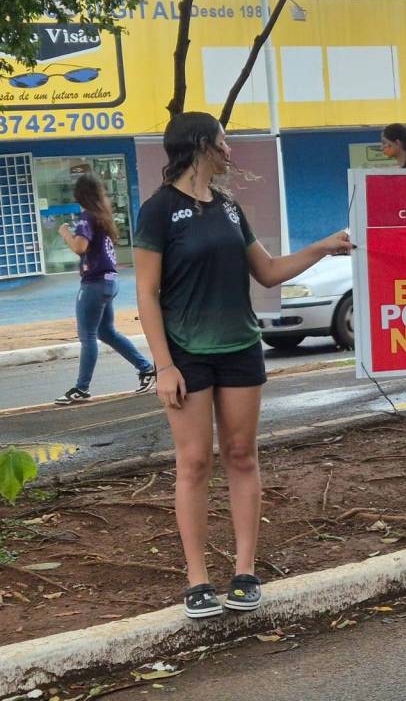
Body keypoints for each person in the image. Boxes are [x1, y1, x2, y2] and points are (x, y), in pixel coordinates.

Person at [133, 112, 352, 619]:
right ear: (202, 145)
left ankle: (245, 572)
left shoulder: (229, 208)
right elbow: (146, 293)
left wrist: (323, 247)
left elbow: (268, 272)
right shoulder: (158, 211)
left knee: (241, 456)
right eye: (224, 141)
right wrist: (163, 366)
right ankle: (197, 581)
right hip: (186, 353)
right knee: (193, 463)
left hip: (240, 348)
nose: (229, 150)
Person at [55, 173, 156, 405]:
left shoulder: (86, 217)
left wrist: (65, 233)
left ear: (79, 195)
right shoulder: (103, 216)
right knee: (106, 332)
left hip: (94, 284)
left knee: (88, 336)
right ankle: (146, 368)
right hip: (110, 282)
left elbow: (80, 247)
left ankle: (82, 388)